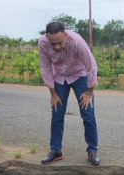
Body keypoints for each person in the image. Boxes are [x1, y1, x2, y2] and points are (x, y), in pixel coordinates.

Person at [38, 21, 100, 166]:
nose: (57, 47)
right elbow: (45, 67)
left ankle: (92, 151)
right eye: (53, 44)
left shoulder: (77, 41)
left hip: (80, 75)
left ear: (65, 35)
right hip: (59, 77)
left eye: (60, 42)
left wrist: (89, 92)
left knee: (88, 113)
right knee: (57, 113)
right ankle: (56, 151)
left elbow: (91, 66)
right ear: (47, 37)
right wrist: (53, 93)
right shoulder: (42, 43)